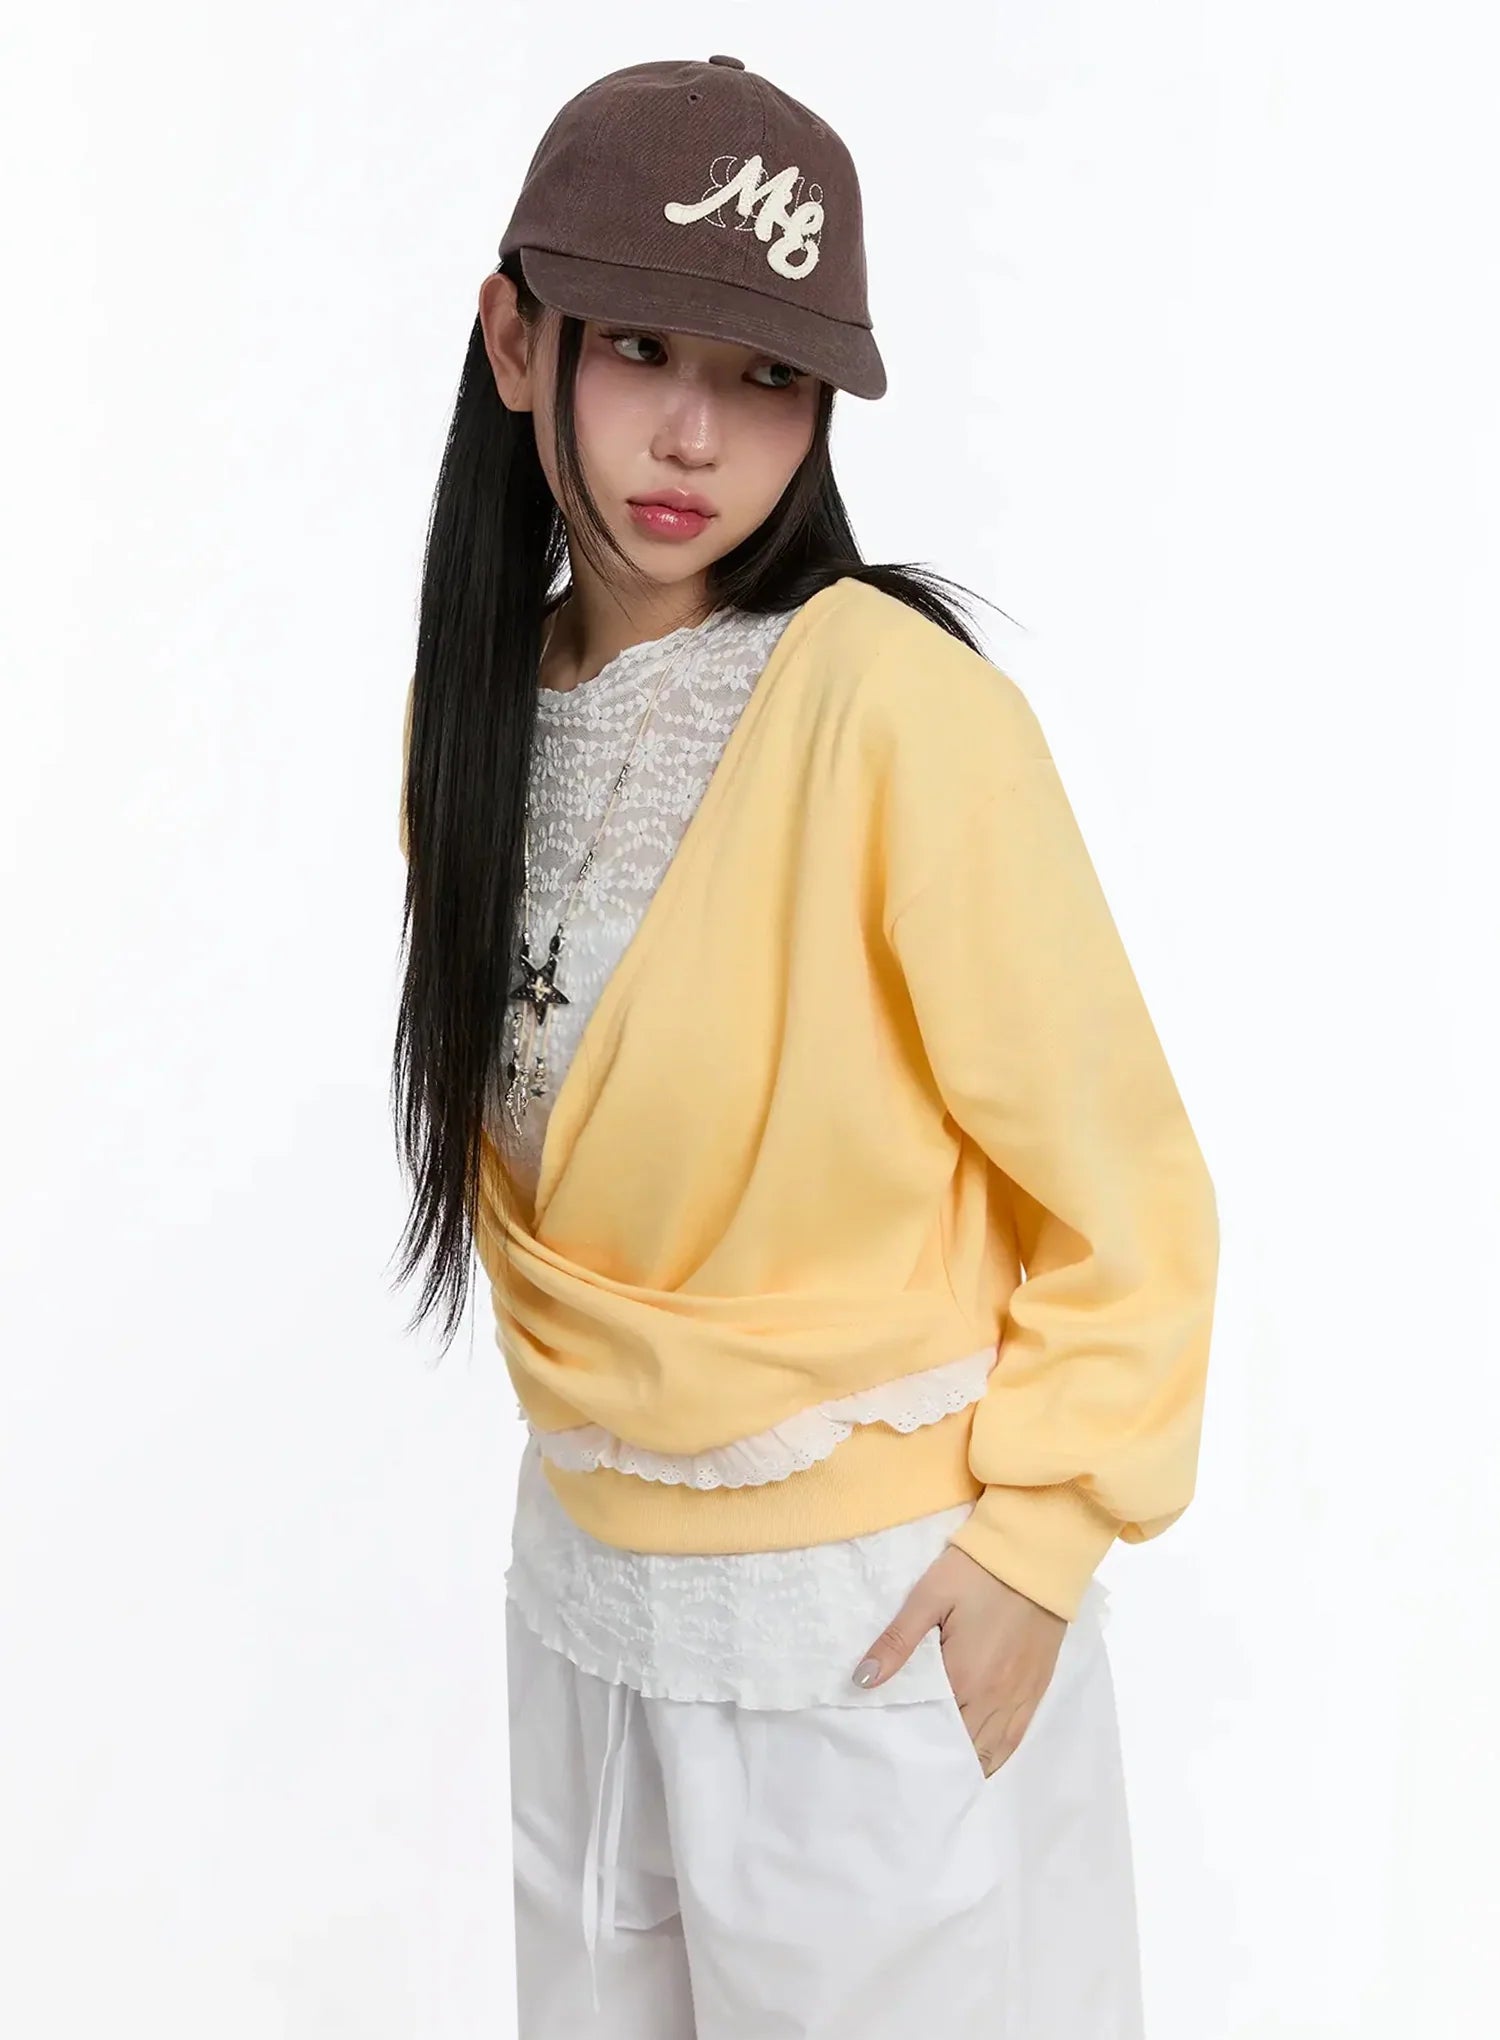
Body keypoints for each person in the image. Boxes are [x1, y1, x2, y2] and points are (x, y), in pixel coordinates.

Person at [392, 53, 1219, 2040]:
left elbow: (1127, 1186)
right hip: (588, 1607)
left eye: (767, 376)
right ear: (516, 341)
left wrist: (1038, 1543)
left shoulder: (891, 705)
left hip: (866, 1628)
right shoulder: (477, 719)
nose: (697, 432)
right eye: (642, 348)